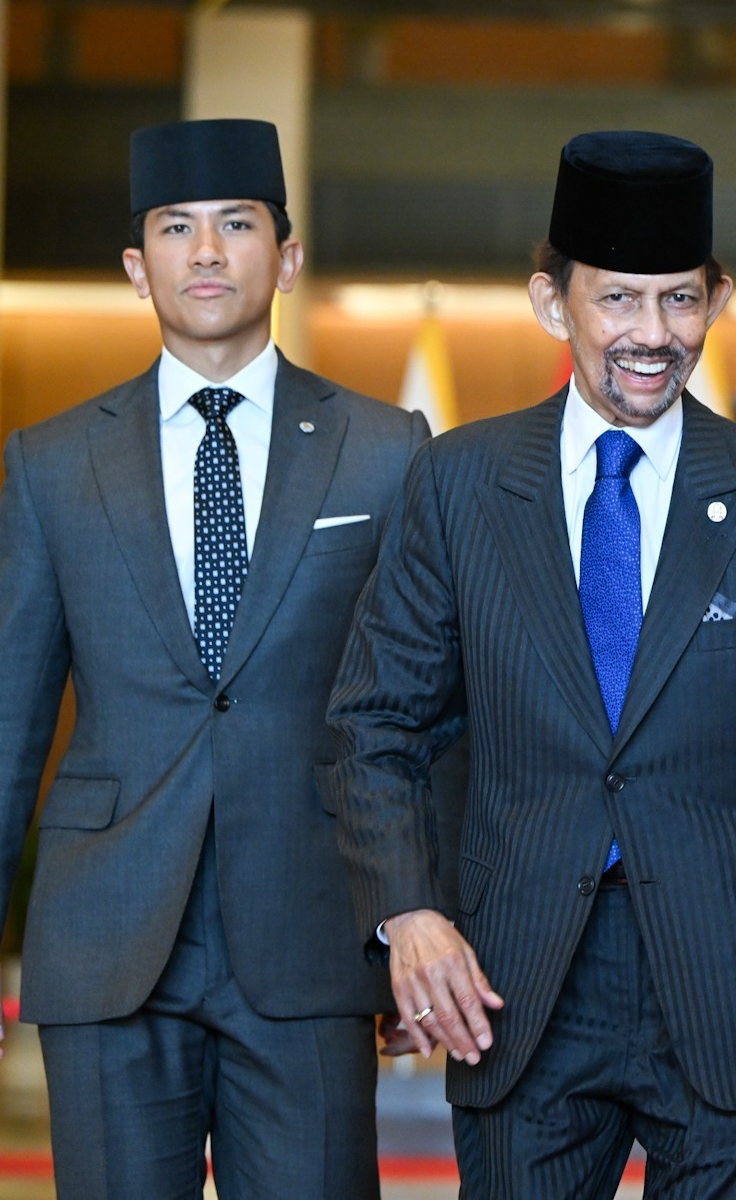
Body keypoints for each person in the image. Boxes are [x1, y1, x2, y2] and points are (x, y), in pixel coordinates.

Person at [327, 130, 736, 1200]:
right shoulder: (457, 484)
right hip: (519, 984)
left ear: (717, 300)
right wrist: (411, 913)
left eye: (680, 300)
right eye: (619, 299)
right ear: (553, 303)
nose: (651, 333)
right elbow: (373, 728)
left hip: (734, 984)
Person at [0, 118, 429, 1199]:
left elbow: (429, 712)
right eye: (177, 229)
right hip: (107, 933)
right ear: (136, 267)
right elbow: (8, 722)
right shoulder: (51, 463)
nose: (205, 252)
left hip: (311, 928)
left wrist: (421, 920)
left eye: (236, 225)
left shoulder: (385, 450)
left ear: (284, 256)